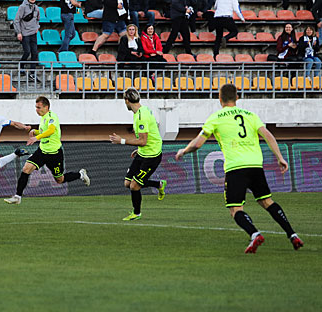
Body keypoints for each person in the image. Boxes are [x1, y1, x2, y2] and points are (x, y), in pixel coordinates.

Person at [175, 84, 304, 253]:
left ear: (219, 98)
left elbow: (198, 143)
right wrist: (280, 157)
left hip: (236, 168)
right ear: (237, 98)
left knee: (235, 209)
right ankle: (292, 234)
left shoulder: (216, 117)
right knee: (267, 201)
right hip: (256, 165)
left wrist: (184, 151)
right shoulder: (250, 115)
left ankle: (254, 234)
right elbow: (268, 135)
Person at [4, 96, 91, 205]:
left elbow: (50, 130)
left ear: (46, 107)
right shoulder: (43, 118)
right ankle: (17, 196)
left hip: (54, 154)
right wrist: (35, 132)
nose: (37, 110)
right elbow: (44, 131)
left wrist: (36, 137)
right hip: (42, 151)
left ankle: (80, 175)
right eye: (36, 107)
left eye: (39, 107)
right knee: (26, 168)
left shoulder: (52, 117)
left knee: (60, 180)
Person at [109, 88, 166, 221]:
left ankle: (137, 213)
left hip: (152, 156)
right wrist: (139, 149)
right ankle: (159, 184)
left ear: (127, 100)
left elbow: (143, 140)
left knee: (134, 186)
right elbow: (150, 133)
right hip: (144, 152)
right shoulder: (142, 111)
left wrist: (121, 141)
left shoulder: (141, 116)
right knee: (127, 183)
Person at [14, 0, 40, 81]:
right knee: (27, 51)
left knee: (35, 53)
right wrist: (19, 32)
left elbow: (38, 19)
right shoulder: (22, 7)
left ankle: (32, 73)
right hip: (25, 33)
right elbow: (16, 20)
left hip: (33, 33)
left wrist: (37, 27)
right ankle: (21, 66)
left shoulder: (36, 7)